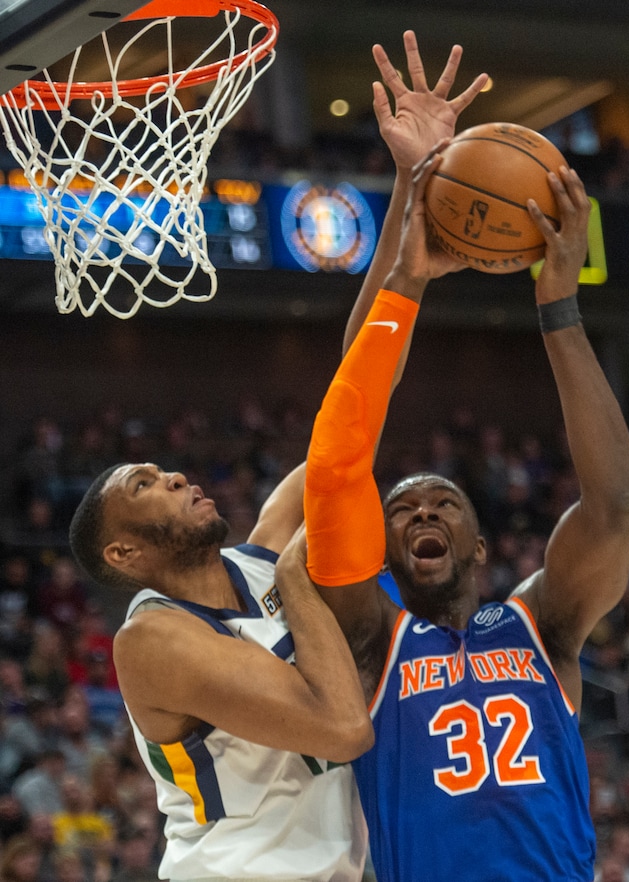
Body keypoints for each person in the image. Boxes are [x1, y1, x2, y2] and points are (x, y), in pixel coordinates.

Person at [67, 31, 489, 882]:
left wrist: (411, 198)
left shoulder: (262, 553)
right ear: (123, 551)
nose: (175, 475)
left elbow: (350, 412)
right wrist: (300, 579)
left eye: (164, 468)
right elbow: (341, 729)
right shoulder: (151, 639)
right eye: (143, 485)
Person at [302, 139, 629, 878]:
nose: (423, 511)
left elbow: (614, 507)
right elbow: (342, 445)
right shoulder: (368, 639)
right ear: (381, 551)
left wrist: (559, 308)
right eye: (402, 509)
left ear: (482, 545)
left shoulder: (540, 626)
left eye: (445, 503)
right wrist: (404, 281)